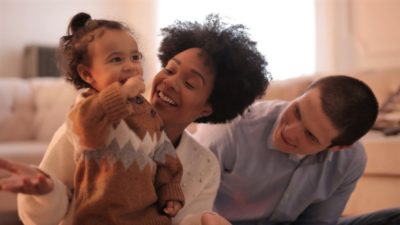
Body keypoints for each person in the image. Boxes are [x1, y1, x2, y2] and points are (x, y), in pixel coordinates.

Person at [0, 14, 270, 225]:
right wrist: (45, 191)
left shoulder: (205, 166)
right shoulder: (92, 121)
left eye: (189, 83)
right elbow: (39, 219)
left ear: (208, 107)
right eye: (169, 69)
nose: (169, 82)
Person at [194, 75, 399, 225]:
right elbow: (185, 205)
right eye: (297, 111)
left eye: (310, 135)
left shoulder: (350, 160)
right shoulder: (229, 130)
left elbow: (320, 221)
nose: (289, 132)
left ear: (338, 147)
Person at [63, 12, 184, 225]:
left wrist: (170, 191)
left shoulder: (147, 113)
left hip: (148, 218)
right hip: (98, 219)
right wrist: (121, 94)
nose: (130, 66)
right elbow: (84, 130)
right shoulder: (88, 106)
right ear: (87, 74)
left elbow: (165, 156)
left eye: (135, 57)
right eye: (116, 59)